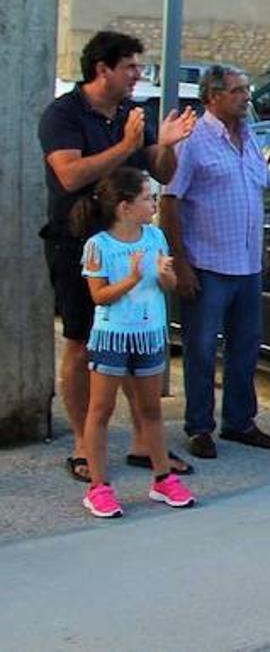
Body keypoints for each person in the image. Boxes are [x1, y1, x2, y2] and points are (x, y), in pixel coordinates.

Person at [39, 31, 197, 484]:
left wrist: (167, 143)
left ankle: (146, 445)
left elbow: (161, 170)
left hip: (132, 241)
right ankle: (85, 446)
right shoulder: (63, 115)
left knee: (134, 337)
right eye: (130, 66)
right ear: (102, 69)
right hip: (79, 243)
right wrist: (126, 148)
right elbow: (69, 176)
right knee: (82, 340)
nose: (138, 76)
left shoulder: (132, 112)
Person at [160, 65, 270, 460]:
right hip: (207, 263)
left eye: (247, 90)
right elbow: (170, 200)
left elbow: (258, 195)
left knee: (245, 347)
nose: (246, 97)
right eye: (237, 91)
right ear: (213, 97)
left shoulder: (251, 137)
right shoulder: (193, 140)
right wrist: (181, 261)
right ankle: (199, 427)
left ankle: (240, 422)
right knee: (202, 349)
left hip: (246, 264)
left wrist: (260, 248)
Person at [74, 167, 196, 517]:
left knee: (150, 409)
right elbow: (99, 296)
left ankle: (162, 478)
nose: (154, 203)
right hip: (112, 336)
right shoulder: (98, 246)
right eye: (147, 198)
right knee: (101, 410)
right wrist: (131, 277)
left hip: (149, 335)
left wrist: (166, 277)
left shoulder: (155, 238)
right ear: (125, 207)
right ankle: (99, 487)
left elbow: (165, 286)